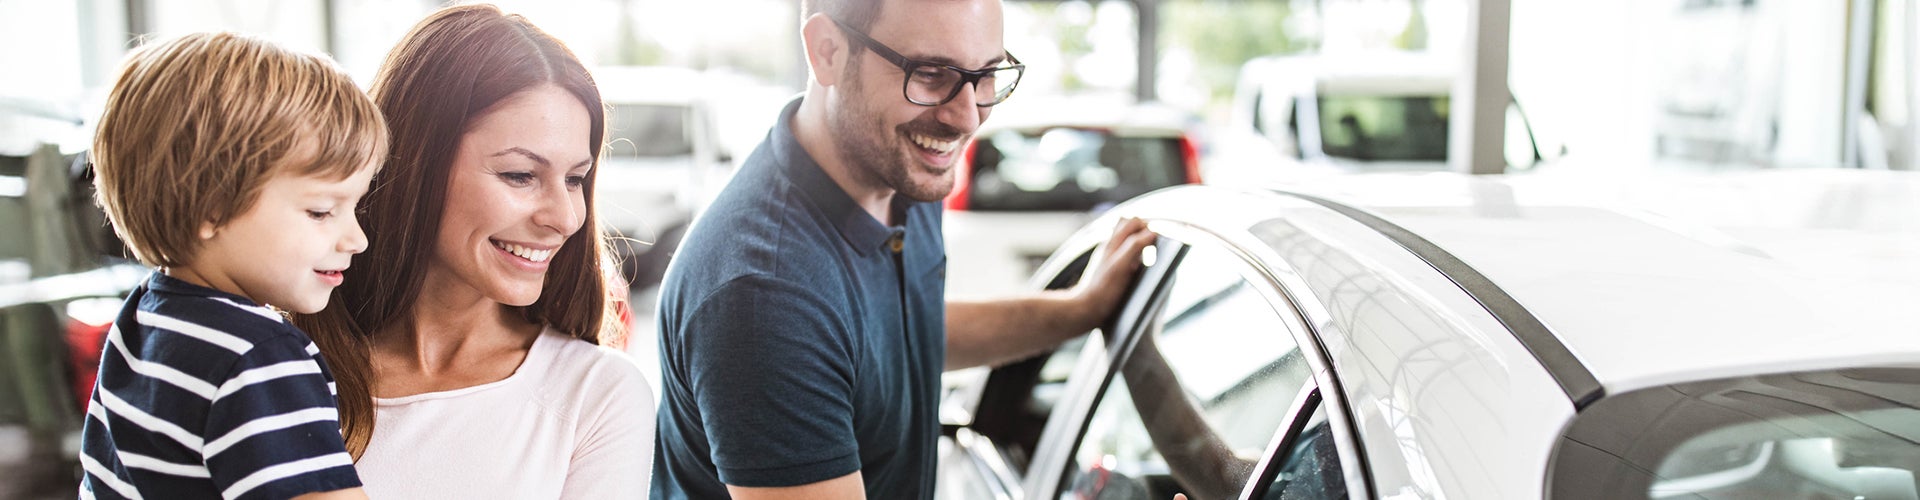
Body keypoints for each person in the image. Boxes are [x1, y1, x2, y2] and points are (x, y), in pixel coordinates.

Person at [650, 0, 1156, 496]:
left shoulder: (900, 172)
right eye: (932, 74)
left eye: (986, 75)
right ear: (827, 51)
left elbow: (903, 334)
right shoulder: (764, 296)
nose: (967, 118)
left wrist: (1080, 309)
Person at [291, 4, 653, 498]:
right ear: (414, 163)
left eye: (575, 179)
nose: (565, 218)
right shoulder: (278, 366)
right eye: (520, 175)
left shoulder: (595, 395)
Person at [80, 32, 384, 500]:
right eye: (322, 210)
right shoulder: (260, 357)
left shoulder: (142, 316)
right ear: (213, 208)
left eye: (355, 208)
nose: (357, 239)